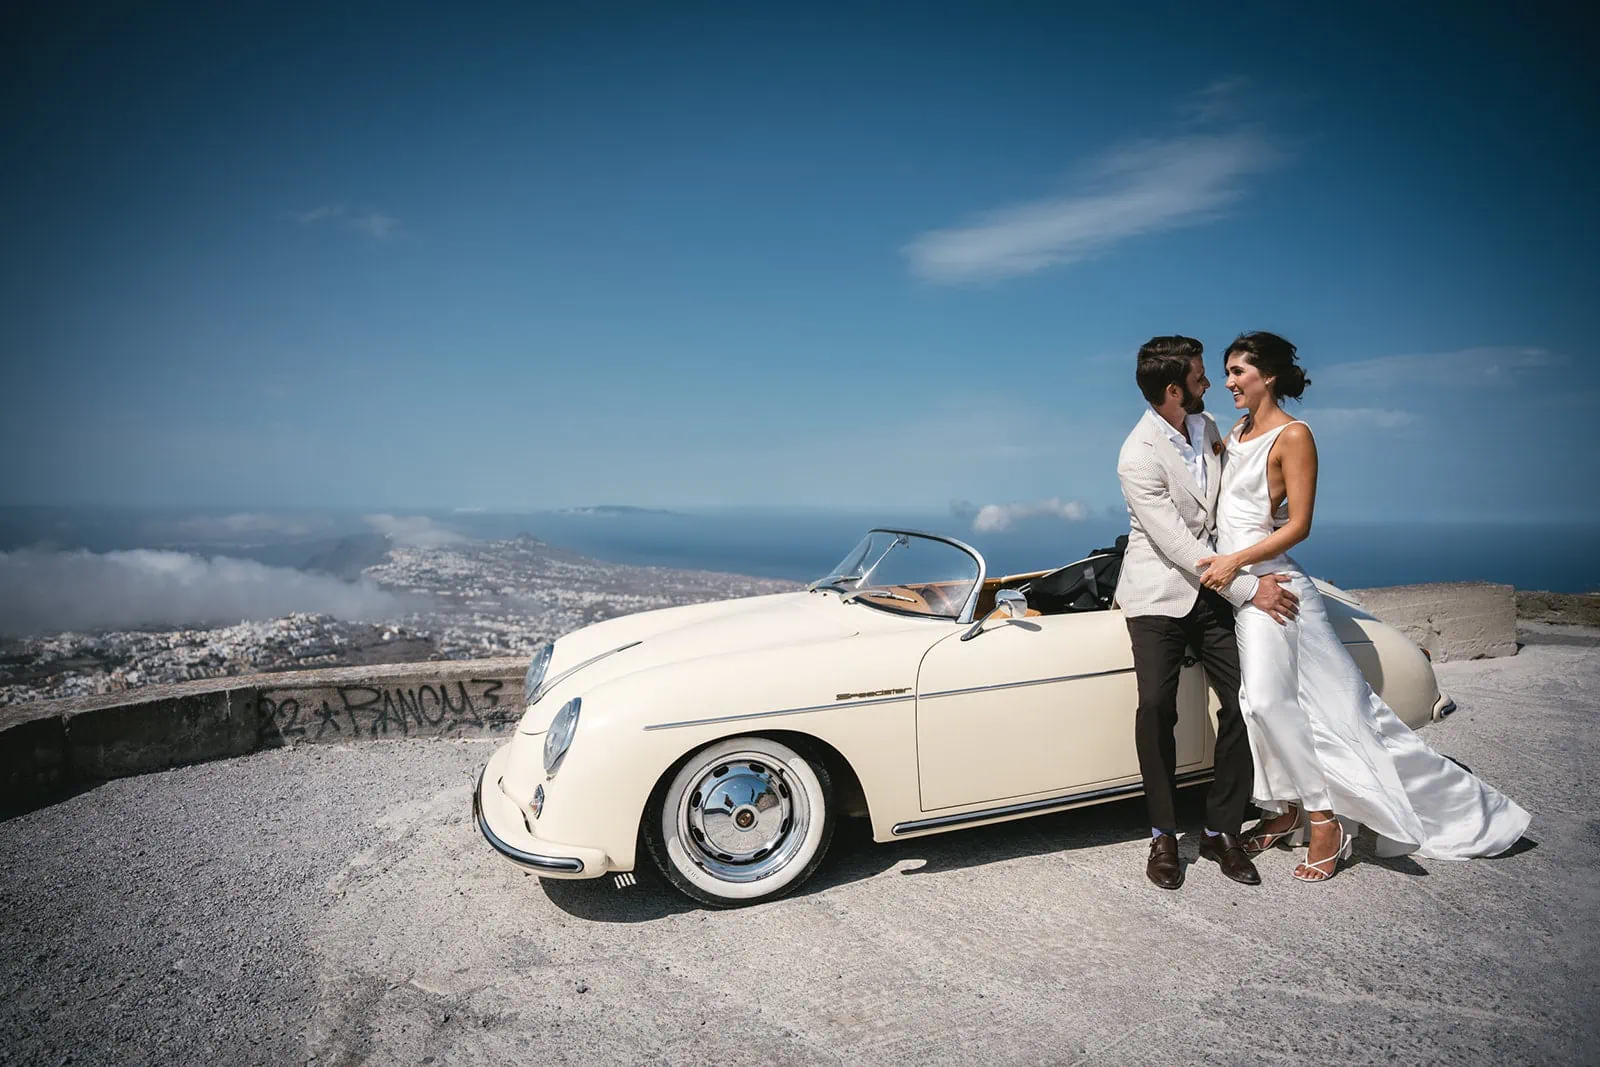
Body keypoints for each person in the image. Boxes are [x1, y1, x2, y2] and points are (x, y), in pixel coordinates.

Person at [1198, 331, 1531, 880]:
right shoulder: (1236, 431)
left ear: (1269, 375)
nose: (1229, 381)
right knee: (1285, 705)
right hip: (1244, 591)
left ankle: (1324, 818)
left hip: (1276, 590)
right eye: (1227, 371)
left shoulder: (1295, 435)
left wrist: (1234, 563)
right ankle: (1287, 809)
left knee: (1273, 702)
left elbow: (1299, 526)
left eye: (1238, 371)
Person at [1116, 336, 1301, 891]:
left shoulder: (1209, 427)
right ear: (1174, 390)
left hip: (1214, 592)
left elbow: (1226, 503)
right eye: (1199, 376)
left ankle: (1222, 831)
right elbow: (1177, 542)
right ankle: (1164, 835)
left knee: (1247, 699)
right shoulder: (1137, 454)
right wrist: (1250, 590)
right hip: (1158, 594)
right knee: (1155, 709)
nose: (1209, 382)